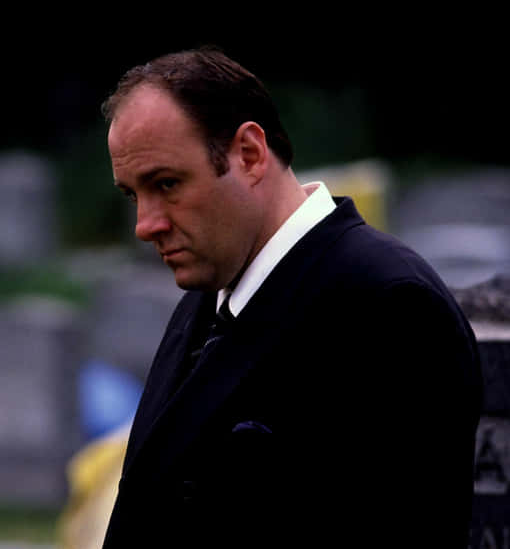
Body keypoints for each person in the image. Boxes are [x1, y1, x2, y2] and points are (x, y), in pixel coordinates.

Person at [101, 47, 482, 548]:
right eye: (133, 195)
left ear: (250, 154)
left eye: (167, 184)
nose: (145, 225)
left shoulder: (388, 305)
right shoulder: (211, 293)